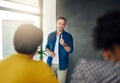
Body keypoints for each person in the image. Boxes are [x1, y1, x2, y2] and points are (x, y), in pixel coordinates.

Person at [70, 11, 120, 83]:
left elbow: (70, 50)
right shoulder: (51, 36)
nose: (105, 56)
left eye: (106, 47)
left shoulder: (86, 70)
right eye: (59, 23)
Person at [45, 16, 74, 83]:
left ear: (65, 25)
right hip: (50, 63)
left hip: (62, 65)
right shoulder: (50, 35)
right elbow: (46, 48)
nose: (61, 26)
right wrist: (49, 52)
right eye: (59, 23)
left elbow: (71, 50)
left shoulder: (69, 36)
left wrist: (64, 44)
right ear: (56, 23)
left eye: (63, 24)